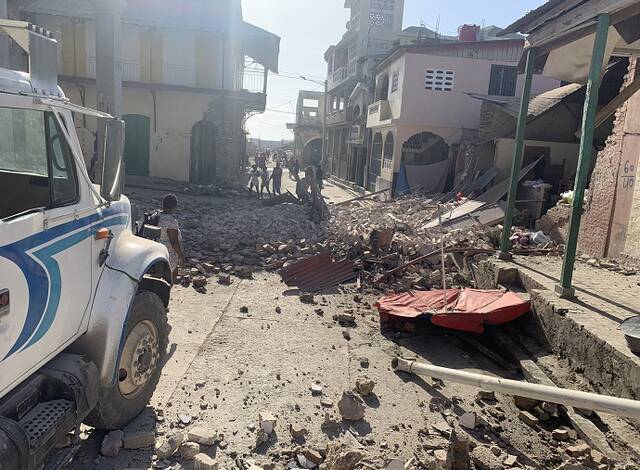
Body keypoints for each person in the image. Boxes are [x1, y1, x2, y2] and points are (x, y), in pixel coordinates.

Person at [158, 194, 185, 281]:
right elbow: (174, 242)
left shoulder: (157, 215)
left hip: (157, 250)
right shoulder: (171, 221)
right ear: (174, 207)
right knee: (171, 276)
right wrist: (181, 255)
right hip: (168, 253)